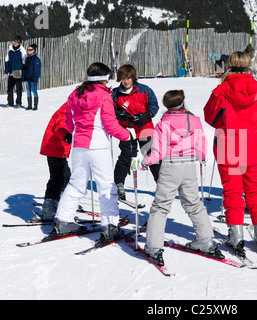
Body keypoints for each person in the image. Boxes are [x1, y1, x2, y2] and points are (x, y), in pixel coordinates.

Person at [131, 90, 221, 266]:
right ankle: (205, 240)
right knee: (194, 203)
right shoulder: (194, 121)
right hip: (189, 167)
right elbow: (201, 144)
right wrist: (202, 158)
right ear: (183, 102)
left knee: (161, 207)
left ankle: (153, 247)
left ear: (166, 105)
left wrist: (143, 162)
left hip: (170, 167)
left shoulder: (163, 124)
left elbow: (157, 153)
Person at [51, 62, 135, 243]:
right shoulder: (104, 96)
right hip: (98, 147)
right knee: (106, 186)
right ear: (103, 79)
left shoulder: (74, 94)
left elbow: (68, 123)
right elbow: (110, 125)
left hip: (79, 146)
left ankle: (63, 221)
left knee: (76, 184)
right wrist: (127, 135)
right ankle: (110, 226)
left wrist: (76, 134)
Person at [203, 51, 257, 257]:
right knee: (253, 187)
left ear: (229, 65)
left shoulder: (221, 90)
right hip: (252, 142)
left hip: (230, 142)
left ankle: (236, 234)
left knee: (233, 190)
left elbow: (210, 117)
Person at [111, 64, 160, 200]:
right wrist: (118, 115)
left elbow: (154, 105)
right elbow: (110, 108)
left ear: (133, 78)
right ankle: (119, 184)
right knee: (126, 155)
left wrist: (146, 115)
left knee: (151, 156)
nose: (126, 81)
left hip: (145, 128)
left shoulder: (144, 90)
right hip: (126, 129)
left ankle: (161, 185)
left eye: (129, 78)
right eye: (123, 78)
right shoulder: (116, 93)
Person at [31, 102, 71, 222]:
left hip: (60, 148)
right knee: (58, 177)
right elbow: (61, 124)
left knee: (66, 176)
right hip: (54, 146)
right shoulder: (68, 107)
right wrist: (66, 135)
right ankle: (50, 208)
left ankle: (63, 202)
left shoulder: (75, 106)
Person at [3, 35, 26, 109]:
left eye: (17, 42)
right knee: (9, 88)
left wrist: (23, 72)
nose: (15, 43)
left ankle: (18, 103)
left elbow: (24, 62)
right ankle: (10, 103)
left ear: (20, 43)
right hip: (11, 72)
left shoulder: (22, 50)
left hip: (18, 71)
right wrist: (6, 71)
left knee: (18, 89)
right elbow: (6, 60)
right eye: (15, 41)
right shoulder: (10, 49)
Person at [23, 44, 41, 110]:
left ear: (34, 50)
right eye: (28, 50)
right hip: (27, 78)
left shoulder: (36, 59)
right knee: (28, 91)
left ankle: (35, 106)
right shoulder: (27, 58)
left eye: (30, 50)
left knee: (34, 91)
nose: (28, 51)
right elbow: (25, 69)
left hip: (33, 79)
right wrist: (23, 77)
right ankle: (29, 105)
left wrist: (35, 78)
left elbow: (37, 70)